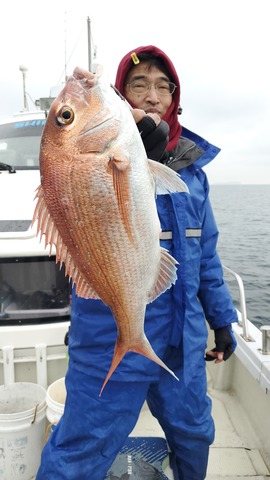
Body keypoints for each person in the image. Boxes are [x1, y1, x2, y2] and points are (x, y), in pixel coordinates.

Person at [36, 45, 238, 480]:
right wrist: (135, 158)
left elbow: (206, 258)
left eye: (163, 86)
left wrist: (222, 321)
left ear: (175, 98)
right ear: (121, 94)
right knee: (81, 446)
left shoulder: (193, 175)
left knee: (195, 434)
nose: (152, 95)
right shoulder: (109, 154)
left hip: (181, 342)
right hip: (107, 331)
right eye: (139, 84)